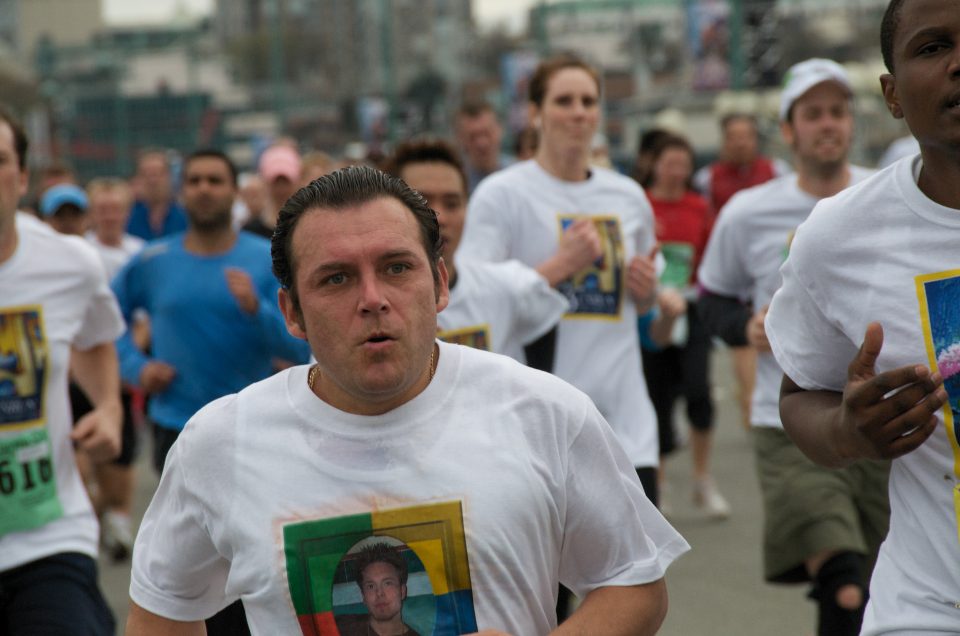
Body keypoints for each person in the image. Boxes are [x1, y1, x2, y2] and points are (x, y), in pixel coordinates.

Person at [125, 165, 689, 635]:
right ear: (291, 312)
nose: (373, 299)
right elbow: (160, 610)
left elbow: (634, 583)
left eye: (396, 268)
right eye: (337, 279)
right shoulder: (221, 443)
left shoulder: (544, 413)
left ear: (440, 285)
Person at [765, 1, 960, 632]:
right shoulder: (837, 237)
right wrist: (849, 431)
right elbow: (799, 396)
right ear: (892, 94)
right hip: (930, 610)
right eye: (932, 48)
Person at [698, 59, 885, 636]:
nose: (827, 125)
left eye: (836, 112)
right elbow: (713, 299)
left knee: (881, 587)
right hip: (788, 417)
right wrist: (743, 328)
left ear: (851, 123)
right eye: (812, 114)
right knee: (844, 581)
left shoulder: (886, 196)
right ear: (788, 129)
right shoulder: (748, 212)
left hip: (879, 414)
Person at [458, 53, 663, 504]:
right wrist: (558, 266)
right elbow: (472, 300)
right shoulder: (502, 195)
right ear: (535, 112)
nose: (578, 112)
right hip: (539, 429)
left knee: (642, 573)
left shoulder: (626, 196)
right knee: (560, 578)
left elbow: (645, 304)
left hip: (626, 425)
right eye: (564, 100)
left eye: (588, 101)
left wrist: (647, 293)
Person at [111, 148, 311, 476]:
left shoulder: (267, 258)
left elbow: (300, 348)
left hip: (252, 424)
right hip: (176, 426)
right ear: (181, 192)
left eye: (215, 181)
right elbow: (106, 319)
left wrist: (256, 310)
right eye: (194, 181)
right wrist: (137, 368)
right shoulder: (153, 260)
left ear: (235, 192)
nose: (204, 188)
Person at [0, 106, 124, 634]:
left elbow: (95, 341)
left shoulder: (70, 264)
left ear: (22, 177)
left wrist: (111, 409)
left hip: (47, 537)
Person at [385, 138, 568, 365]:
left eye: (452, 203)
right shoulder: (373, 304)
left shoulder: (505, 287)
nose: (439, 217)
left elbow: (543, 314)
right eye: (422, 202)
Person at [639, 132, 728, 518]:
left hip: (690, 309)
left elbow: (710, 259)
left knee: (698, 392)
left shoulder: (698, 206)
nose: (677, 171)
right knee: (656, 397)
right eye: (669, 163)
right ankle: (657, 483)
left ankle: (701, 479)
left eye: (683, 163)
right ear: (653, 165)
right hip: (653, 309)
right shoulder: (640, 204)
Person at [694, 113, 789, 430]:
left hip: (767, 268)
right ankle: (750, 398)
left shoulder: (775, 171)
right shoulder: (708, 178)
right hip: (731, 267)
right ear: (723, 140)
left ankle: (755, 398)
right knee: (744, 338)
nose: (740, 142)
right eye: (733, 136)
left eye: (745, 136)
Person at [84, 177, 146, 562]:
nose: (109, 216)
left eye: (115, 208)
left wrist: (127, 358)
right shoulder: (80, 253)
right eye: (102, 208)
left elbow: (144, 318)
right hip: (81, 366)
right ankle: (94, 519)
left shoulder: (139, 254)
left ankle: (113, 517)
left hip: (123, 367)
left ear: (126, 212)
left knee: (122, 451)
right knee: (86, 454)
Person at [335, 543, 421, 636]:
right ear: (363, 596)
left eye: (387, 583)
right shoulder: (341, 626)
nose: (379, 593)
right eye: (371, 586)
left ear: (402, 591)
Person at [126, 149, 188, 241]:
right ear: (138, 179)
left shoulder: (186, 217)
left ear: (169, 177)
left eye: (157, 174)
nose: (153, 181)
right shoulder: (126, 218)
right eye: (147, 175)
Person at [243, 144, 303, 239]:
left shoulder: (307, 229)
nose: (281, 189)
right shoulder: (250, 232)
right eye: (275, 182)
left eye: (286, 181)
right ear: (264, 182)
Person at [455, 101, 511, 192]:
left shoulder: (518, 174)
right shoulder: (457, 183)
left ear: (500, 130)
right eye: (473, 136)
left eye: (487, 134)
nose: (481, 143)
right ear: (460, 138)